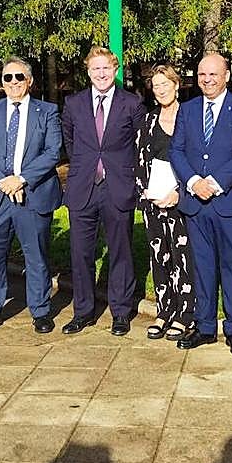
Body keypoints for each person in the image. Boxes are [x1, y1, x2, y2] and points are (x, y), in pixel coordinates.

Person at [169, 53, 232, 355]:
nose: (207, 80)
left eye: (213, 74)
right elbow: (177, 150)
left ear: (226, 76)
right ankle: (205, 326)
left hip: (230, 203)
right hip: (196, 204)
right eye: (202, 74)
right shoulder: (188, 110)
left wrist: (215, 184)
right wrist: (194, 182)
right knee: (203, 267)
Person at [0, 58, 63, 336]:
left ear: (30, 80)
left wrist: (21, 180)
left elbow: (53, 152)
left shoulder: (47, 111)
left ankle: (41, 310)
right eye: (7, 78)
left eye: (19, 77)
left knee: (36, 256)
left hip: (32, 195)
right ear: (1, 82)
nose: (13, 82)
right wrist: (3, 181)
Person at [60, 46, 146, 336]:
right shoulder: (73, 103)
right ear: (88, 71)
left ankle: (120, 312)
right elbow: (70, 143)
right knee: (80, 253)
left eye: (106, 68)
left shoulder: (132, 103)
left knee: (120, 251)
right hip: (83, 187)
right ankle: (83, 312)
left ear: (115, 69)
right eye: (95, 68)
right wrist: (88, 166)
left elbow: (139, 144)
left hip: (117, 187)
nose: (101, 73)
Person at [137, 64, 196, 341]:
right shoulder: (147, 121)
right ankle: (164, 310)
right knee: (160, 258)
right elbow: (139, 161)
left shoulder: (191, 117)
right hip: (154, 202)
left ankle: (186, 314)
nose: (161, 90)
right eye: (156, 86)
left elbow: (198, 161)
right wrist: (146, 193)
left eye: (165, 84)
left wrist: (179, 193)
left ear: (176, 84)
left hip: (181, 200)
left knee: (183, 258)